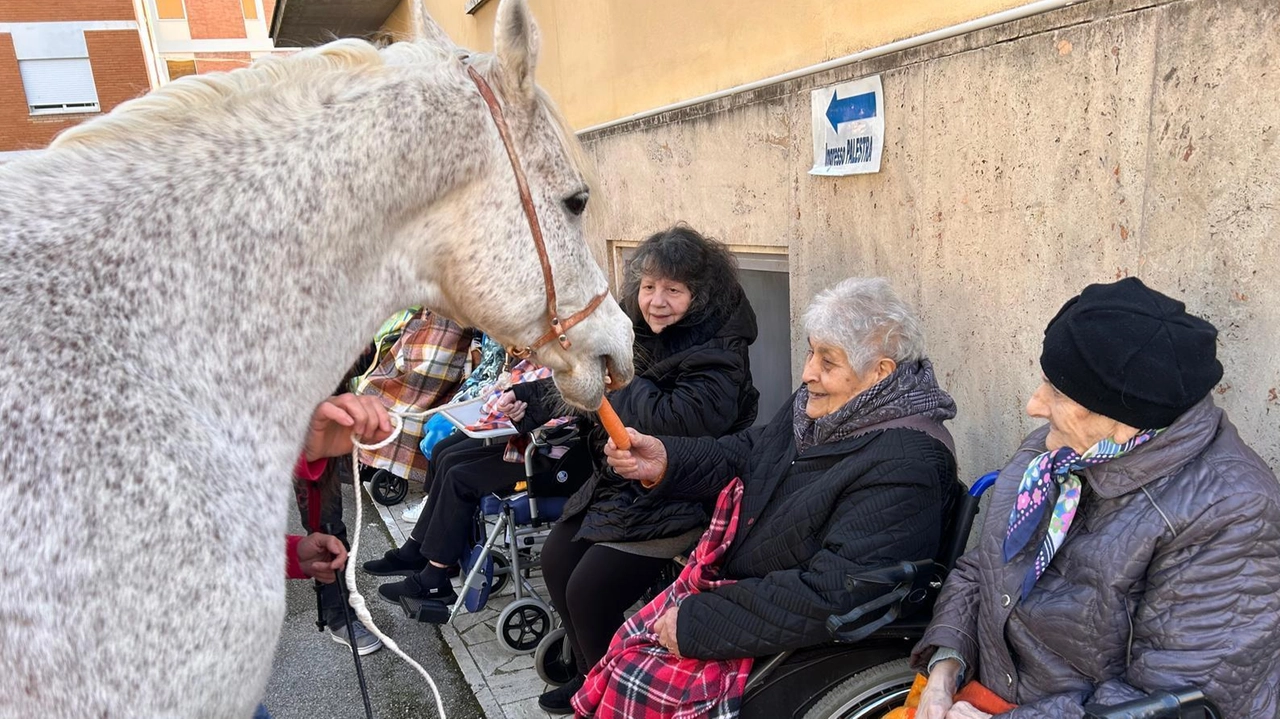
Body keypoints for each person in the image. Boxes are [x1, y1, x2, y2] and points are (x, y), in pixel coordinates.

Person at [909, 278, 1280, 719]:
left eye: (1059, 392)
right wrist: (944, 667)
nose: (1033, 404)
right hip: (983, 696)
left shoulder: (1231, 512)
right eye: (1044, 381)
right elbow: (983, 567)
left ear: (1126, 422)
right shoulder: (1053, 452)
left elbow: (1172, 703)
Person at [595, 277, 960, 717]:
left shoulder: (906, 461)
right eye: (811, 352)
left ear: (880, 371)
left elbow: (836, 593)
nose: (808, 372)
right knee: (623, 656)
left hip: (806, 626)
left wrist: (699, 623)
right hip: (751, 589)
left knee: (638, 681)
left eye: (828, 361)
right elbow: (753, 451)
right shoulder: (824, 406)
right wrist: (667, 459)